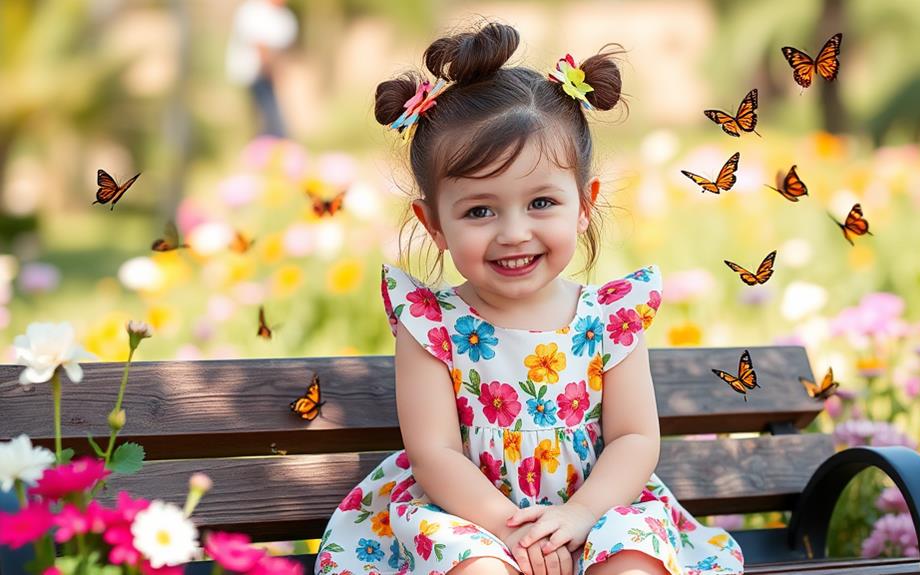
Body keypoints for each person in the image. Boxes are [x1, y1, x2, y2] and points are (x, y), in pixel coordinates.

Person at [315, 21, 744, 575]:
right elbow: (435, 453)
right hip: (474, 517)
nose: (514, 232)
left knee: (634, 558)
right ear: (433, 222)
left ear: (584, 203)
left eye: (541, 202)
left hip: (595, 510)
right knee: (475, 567)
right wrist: (514, 532)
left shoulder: (611, 317)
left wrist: (579, 517)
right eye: (479, 210)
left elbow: (635, 438)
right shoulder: (431, 325)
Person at [225, 0, 296, 138]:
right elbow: (260, 46)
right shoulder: (254, 11)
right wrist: (270, 69)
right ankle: (270, 144)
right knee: (267, 113)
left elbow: (284, 49)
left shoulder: (285, 17)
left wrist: (280, 71)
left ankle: (272, 143)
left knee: (271, 113)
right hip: (254, 72)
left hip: (270, 72)